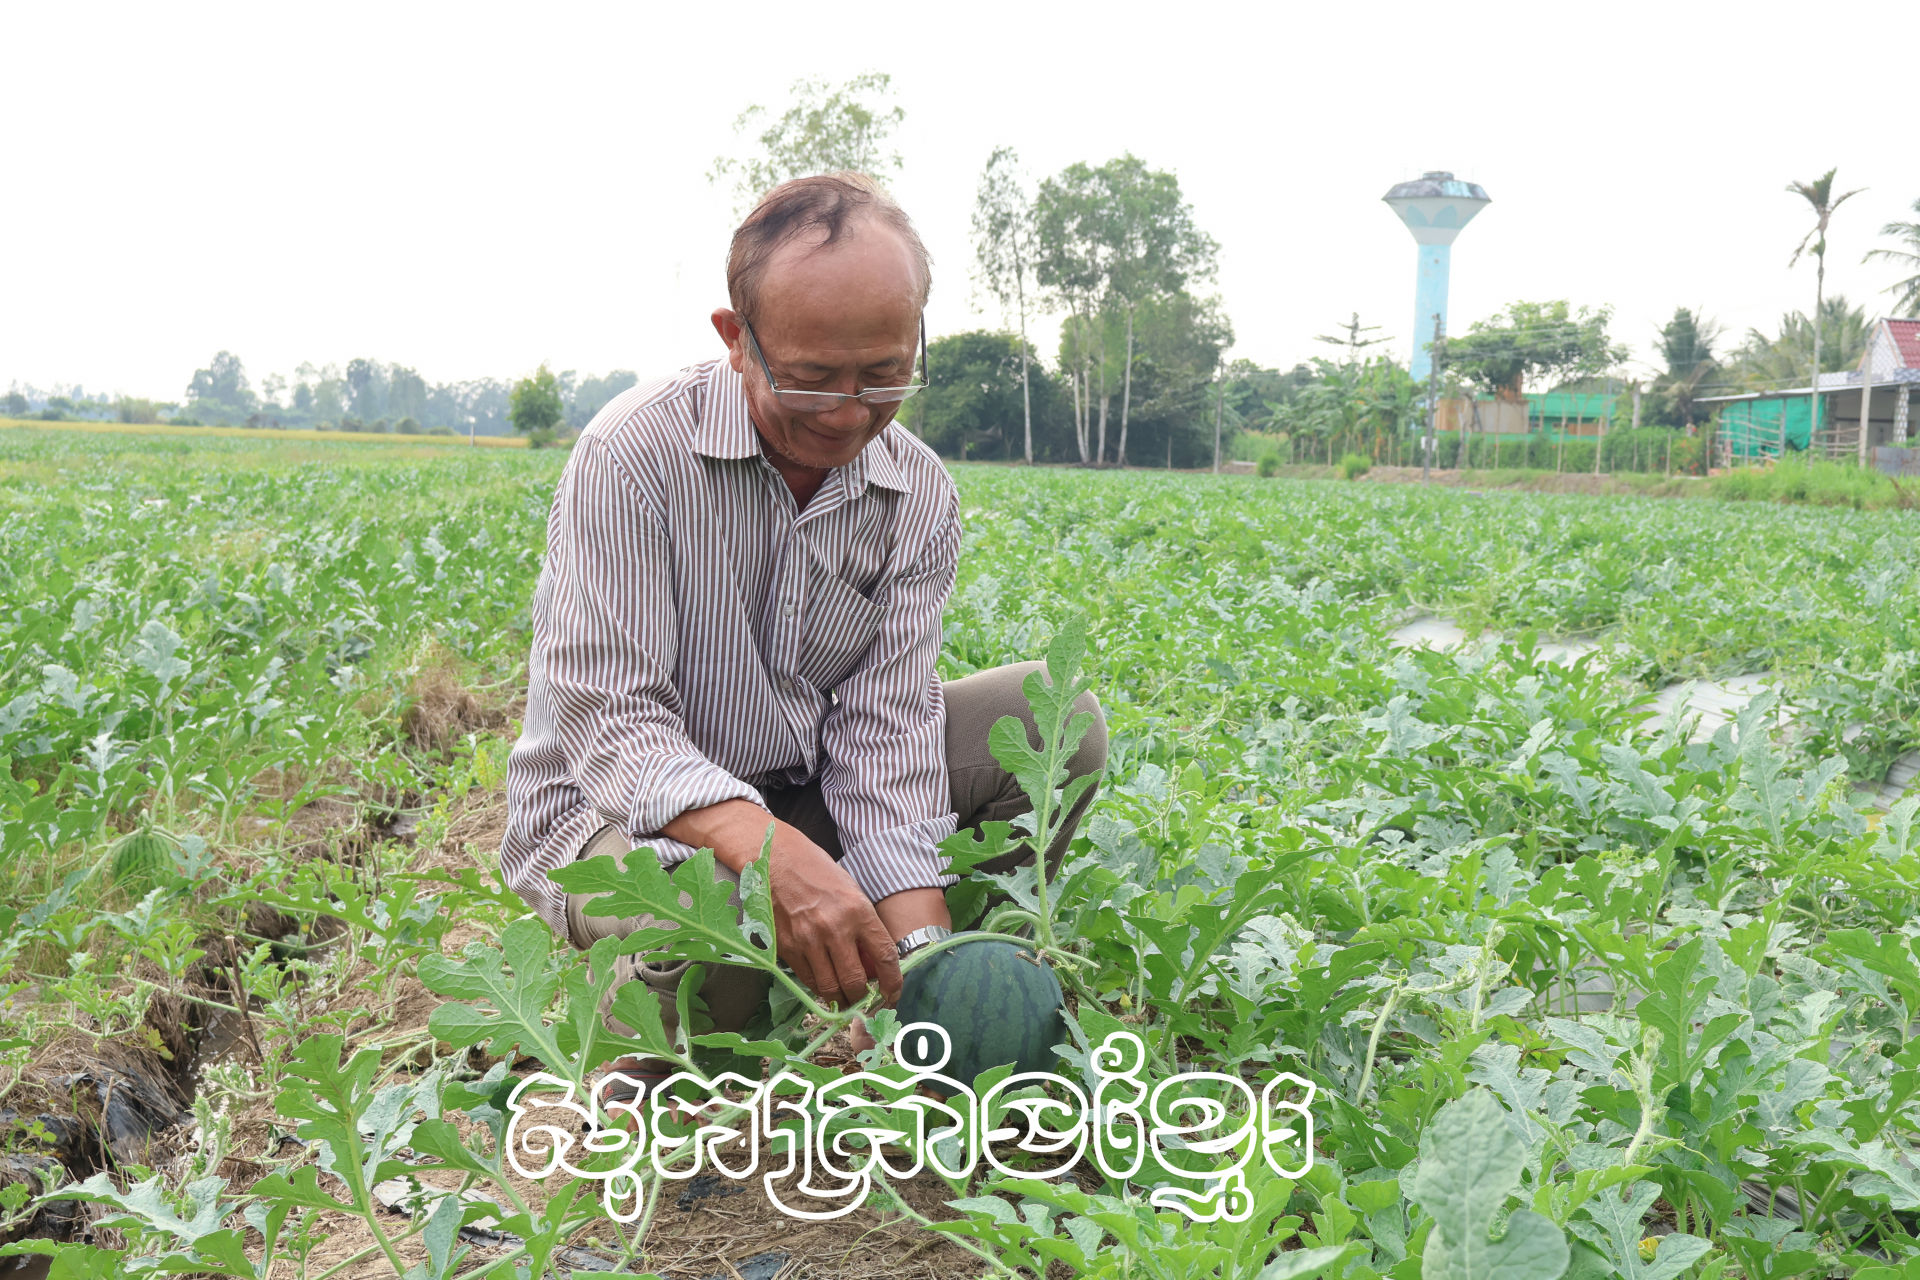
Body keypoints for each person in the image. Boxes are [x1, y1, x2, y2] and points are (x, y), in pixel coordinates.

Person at [500, 172, 1104, 1086]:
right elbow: (609, 721)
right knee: (723, 903)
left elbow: (884, 731)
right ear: (737, 341)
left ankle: (935, 991)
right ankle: (652, 1045)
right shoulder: (632, 458)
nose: (851, 412)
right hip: (610, 827)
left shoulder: (916, 492)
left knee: (1053, 719)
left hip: (799, 792)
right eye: (813, 379)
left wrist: (919, 954)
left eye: (885, 374)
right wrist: (768, 851)